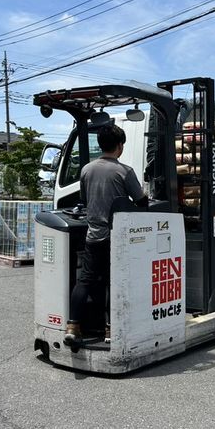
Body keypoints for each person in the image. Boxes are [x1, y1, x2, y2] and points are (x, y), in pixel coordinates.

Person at [64, 123, 148, 344]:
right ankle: (112, 329)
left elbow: (85, 198)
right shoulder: (124, 171)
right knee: (115, 281)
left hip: (93, 236)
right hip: (117, 238)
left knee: (86, 280)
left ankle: (72, 327)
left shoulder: (86, 170)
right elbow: (141, 202)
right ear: (119, 146)